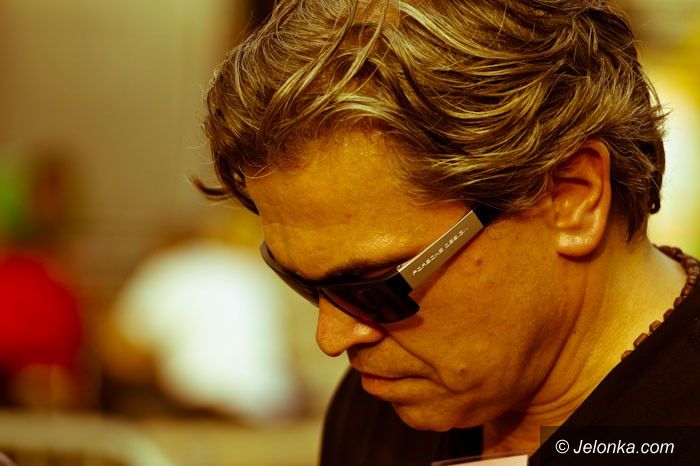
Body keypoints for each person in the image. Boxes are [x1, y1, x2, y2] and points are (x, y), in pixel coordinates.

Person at [198, 0, 700, 464]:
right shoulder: (377, 414)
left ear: (571, 197)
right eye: (302, 283)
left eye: (376, 286)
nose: (331, 338)